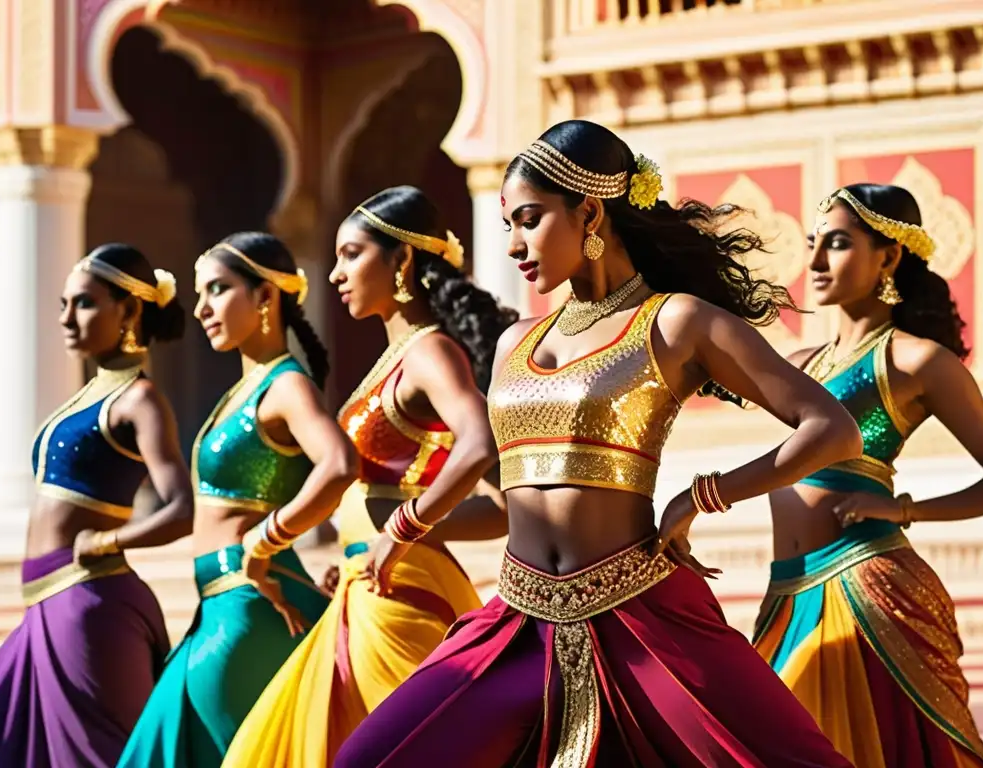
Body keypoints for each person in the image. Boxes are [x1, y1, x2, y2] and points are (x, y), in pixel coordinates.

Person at [333, 120, 863, 767]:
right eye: (508, 225)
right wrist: (407, 529)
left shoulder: (674, 322)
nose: (515, 245)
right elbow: (502, 494)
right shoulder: (512, 344)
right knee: (370, 759)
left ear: (588, 210)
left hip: (646, 616)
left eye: (529, 219)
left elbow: (832, 429)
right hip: (516, 625)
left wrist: (703, 496)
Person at [222, 186, 515, 768]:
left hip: (399, 598)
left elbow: (479, 442)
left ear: (401, 261)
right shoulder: (397, 357)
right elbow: (498, 513)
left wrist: (402, 529)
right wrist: (371, 548)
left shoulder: (430, 353)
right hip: (371, 585)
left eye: (351, 254)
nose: (334, 274)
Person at [750, 183, 983, 767]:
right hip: (786, 591)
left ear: (888, 257)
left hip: (866, 591)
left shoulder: (916, 361)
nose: (813, 263)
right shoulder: (802, 365)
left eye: (836, 244)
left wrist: (907, 510)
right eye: (813, 244)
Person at [117, 232, 360, 768]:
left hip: (250, 605)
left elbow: (340, 465)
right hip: (219, 604)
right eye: (201, 293)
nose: (202, 308)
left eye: (219, 290)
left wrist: (267, 537)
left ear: (265, 298)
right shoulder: (245, 389)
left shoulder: (286, 386)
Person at [0, 244, 192, 767]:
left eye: (85, 304)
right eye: (64, 304)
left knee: (99, 758)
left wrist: (107, 540)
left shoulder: (138, 400)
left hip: (90, 606)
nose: (67, 319)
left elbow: (182, 508)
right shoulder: (90, 393)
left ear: (130, 312)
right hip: (49, 607)